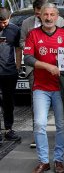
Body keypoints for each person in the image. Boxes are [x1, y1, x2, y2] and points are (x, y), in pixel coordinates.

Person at [24, 3, 64, 173]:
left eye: (52, 14)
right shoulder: (33, 34)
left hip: (60, 88)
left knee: (61, 124)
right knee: (39, 124)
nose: (49, 18)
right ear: (40, 16)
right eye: (46, 14)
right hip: (41, 87)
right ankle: (43, 161)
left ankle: (58, 160)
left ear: (57, 16)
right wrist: (47, 66)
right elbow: (28, 59)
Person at [0, 8, 22, 144]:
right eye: (1, 22)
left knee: (8, 102)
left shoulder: (14, 29)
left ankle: (8, 129)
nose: (3, 25)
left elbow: (18, 49)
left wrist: (18, 66)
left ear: (10, 18)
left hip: (9, 72)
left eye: (5, 22)